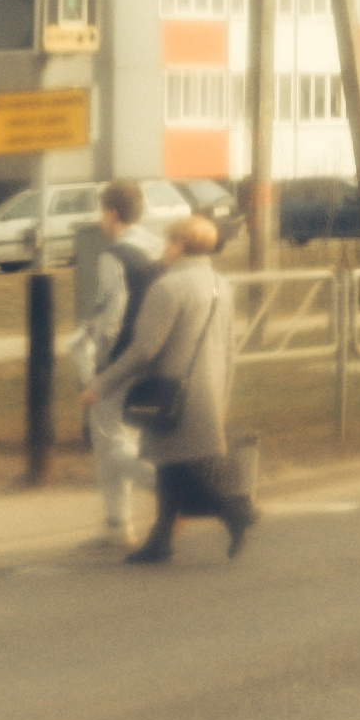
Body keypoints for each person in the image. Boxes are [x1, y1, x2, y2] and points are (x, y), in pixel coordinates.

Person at [91, 215, 255, 565]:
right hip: (206, 388)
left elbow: (144, 349)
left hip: (170, 391)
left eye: (168, 242)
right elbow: (229, 347)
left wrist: (102, 384)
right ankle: (161, 539)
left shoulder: (168, 288)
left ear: (180, 245)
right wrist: (223, 395)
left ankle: (233, 508)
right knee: (171, 466)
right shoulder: (219, 284)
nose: (164, 249)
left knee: (183, 464)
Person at [74, 180, 164, 544]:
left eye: (101, 212)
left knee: (111, 442)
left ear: (112, 213)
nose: (100, 220)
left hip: (120, 359)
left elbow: (112, 316)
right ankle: (115, 523)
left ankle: (173, 486)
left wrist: (99, 367)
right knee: (118, 439)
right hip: (154, 355)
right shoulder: (158, 247)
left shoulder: (114, 256)